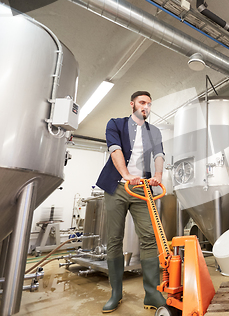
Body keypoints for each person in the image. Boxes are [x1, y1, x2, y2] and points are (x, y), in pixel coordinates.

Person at [96, 91, 166, 313]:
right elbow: (114, 149)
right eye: (142, 102)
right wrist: (126, 174)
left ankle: (152, 293)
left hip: (142, 189)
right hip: (117, 186)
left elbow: (159, 155)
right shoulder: (115, 124)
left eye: (149, 104)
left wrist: (158, 175)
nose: (146, 106)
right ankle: (116, 293)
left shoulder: (153, 131)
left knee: (149, 237)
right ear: (132, 104)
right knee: (114, 239)